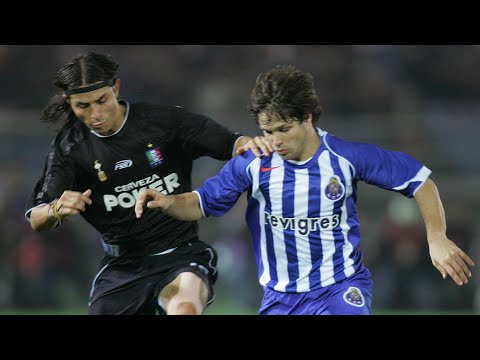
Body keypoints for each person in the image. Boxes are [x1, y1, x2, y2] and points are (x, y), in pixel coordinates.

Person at [135, 64, 476, 315]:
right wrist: (167, 202)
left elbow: (420, 181)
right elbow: (200, 204)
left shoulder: (346, 157)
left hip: (340, 288)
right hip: (280, 298)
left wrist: (436, 236)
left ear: (308, 117)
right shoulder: (252, 162)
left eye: (284, 129)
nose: (276, 140)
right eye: (268, 130)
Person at [24, 51, 270, 315]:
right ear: (69, 103)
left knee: (184, 308)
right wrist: (55, 209)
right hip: (122, 267)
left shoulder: (161, 122)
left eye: (101, 100)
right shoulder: (70, 148)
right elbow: (36, 217)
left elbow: (231, 143)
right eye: (83, 106)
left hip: (181, 255)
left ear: (116, 88)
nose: (96, 114)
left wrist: (251, 143)